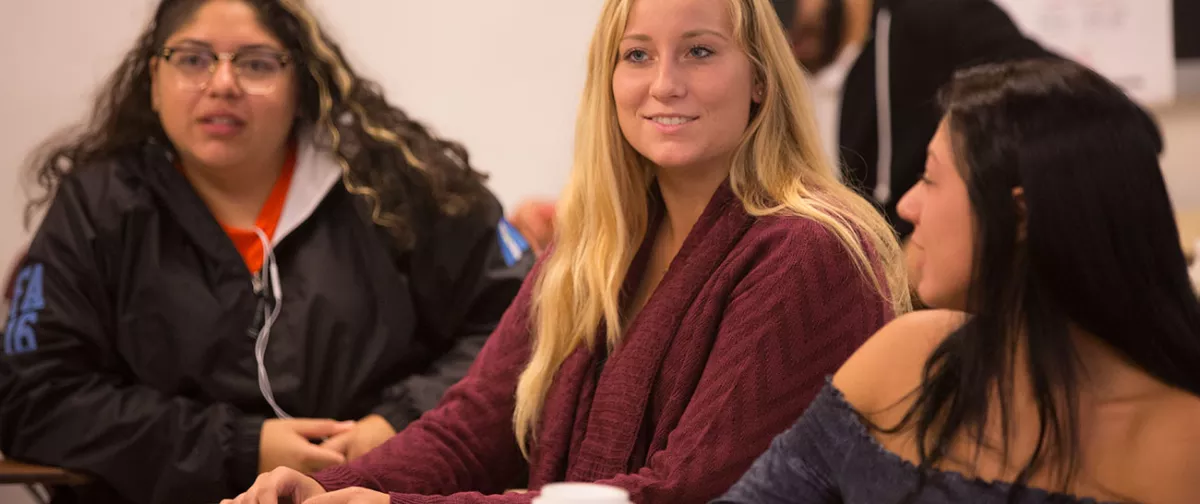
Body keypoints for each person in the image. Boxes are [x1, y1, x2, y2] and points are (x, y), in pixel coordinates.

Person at [223, 0, 909, 502]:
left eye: (699, 51)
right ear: (608, 81)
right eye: (636, 54)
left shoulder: (810, 252)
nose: (664, 83)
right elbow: (472, 430)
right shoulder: (594, 245)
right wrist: (320, 490)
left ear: (760, 77)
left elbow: (687, 491)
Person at [0, 1, 532, 503]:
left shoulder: (402, 186)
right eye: (192, 59)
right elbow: (33, 395)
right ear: (153, 82)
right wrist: (239, 446)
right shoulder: (97, 207)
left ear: (300, 84)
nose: (223, 84)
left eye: (256, 64)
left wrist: (399, 423)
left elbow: (525, 326)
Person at [715, 58, 1200, 503]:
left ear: (1020, 214)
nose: (907, 206)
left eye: (930, 178)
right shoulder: (906, 360)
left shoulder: (1180, 445)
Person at [509, 0, 1051, 248]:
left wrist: (964, 236)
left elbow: (1082, 122)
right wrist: (594, 217)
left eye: (700, 50)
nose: (782, 34)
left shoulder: (938, 26)